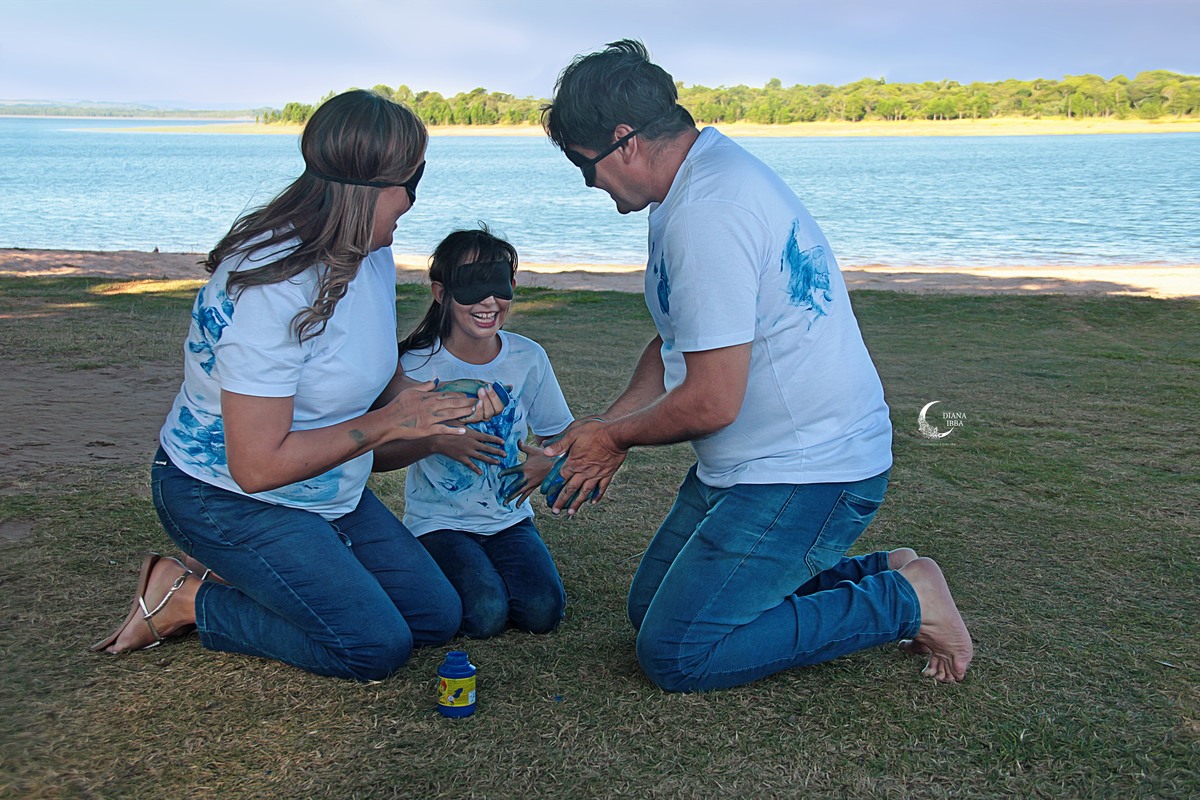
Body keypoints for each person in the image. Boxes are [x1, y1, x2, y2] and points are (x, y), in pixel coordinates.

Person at [539, 40, 973, 691]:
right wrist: (606, 426)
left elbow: (713, 401)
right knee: (650, 609)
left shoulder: (709, 209)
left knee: (679, 652)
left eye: (584, 166)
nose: (590, 183)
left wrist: (616, 438)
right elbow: (671, 347)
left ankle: (905, 603)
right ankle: (888, 572)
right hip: (756, 467)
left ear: (623, 141)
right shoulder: (688, 190)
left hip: (809, 468)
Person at [91, 90, 505, 681]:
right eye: (411, 181)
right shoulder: (275, 287)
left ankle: (270, 570)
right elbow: (256, 467)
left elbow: (374, 365)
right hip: (224, 498)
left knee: (434, 617)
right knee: (373, 647)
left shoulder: (369, 250)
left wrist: (437, 407)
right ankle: (186, 598)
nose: (414, 200)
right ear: (366, 188)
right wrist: (391, 423)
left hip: (325, 490)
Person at [372, 225, 573, 639]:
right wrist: (435, 440)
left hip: (510, 521)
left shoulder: (528, 358)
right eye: (471, 286)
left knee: (543, 611)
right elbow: (376, 458)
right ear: (441, 293)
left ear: (513, 286)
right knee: (484, 614)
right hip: (438, 523)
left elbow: (562, 436)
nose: (488, 300)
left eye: (498, 284)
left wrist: (545, 465)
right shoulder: (411, 366)